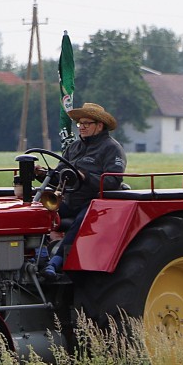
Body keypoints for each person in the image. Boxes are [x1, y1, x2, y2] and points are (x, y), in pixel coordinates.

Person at [38, 103, 126, 279]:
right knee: (38, 209)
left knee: (81, 220)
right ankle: (39, 255)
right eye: (79, 123)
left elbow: (113, 181)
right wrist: (41, 174)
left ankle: (56, 262)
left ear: (99, 126)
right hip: (69, 199)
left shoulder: (111, 148)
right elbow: (60, 176)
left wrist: (85, 176)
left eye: (86, 123)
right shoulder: (74, 147)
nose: (82, 127)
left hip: (94, 202)